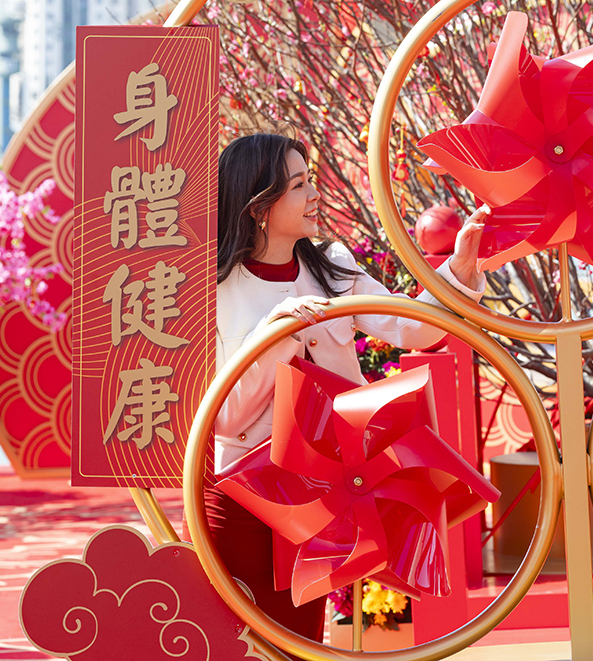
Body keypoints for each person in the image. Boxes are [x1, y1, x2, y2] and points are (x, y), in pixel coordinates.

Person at [207, 131, 488, 646]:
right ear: (259, 206)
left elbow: (412, 328)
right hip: (244, 490)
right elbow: (225, 419)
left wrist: (461, 269)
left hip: (326, 489)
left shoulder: (333, 267)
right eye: (298, 185)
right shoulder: (217, 284)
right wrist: (277, 334)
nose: (314, 193)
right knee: (238, 640)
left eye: (309, 179)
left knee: (302, 639)